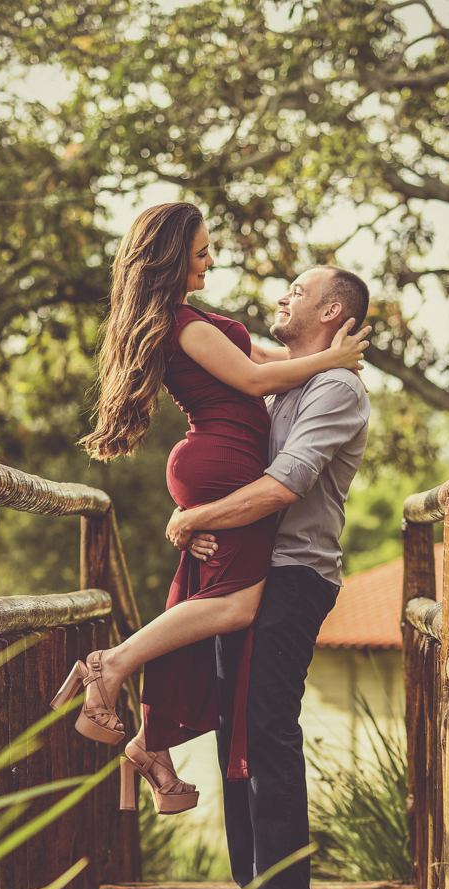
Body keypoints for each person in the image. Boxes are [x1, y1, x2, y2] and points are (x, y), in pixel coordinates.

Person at [51, 202, 370, 816]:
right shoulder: (185, 323)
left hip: (219, 460)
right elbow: (254, 382)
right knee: (235, 604)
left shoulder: (189, 322)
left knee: (204, 601)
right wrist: (333, 360)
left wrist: (331, 362)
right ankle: (109, 666)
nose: (211, 261)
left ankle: (152, 743)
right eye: (201, 252)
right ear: (173, 258)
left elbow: (270, 364)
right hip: (223, 459)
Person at [165, 264, 370, 889]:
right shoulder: (287, 382)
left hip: (292, 576)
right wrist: (201, 515)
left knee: (266, 728)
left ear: (332, 311)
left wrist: (194, 518)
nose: (283, 296)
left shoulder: (336, 389)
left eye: (299, 291)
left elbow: (285, 486)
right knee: (236, 730)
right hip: (250, 569)